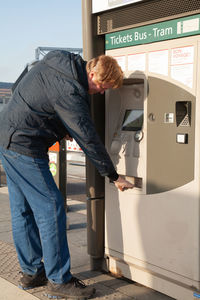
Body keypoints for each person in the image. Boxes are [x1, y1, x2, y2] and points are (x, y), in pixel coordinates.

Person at [0, 50, 134, 299]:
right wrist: (113, 176)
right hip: (25, 147)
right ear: (92, 72)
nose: (101, 91)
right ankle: (59, 281)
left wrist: (58, 125)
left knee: (23, 211)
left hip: (6, 139)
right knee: (51, 207)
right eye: (101, 85)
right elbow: (88, 138)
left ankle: (32, 273)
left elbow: (28, 90)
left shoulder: (58, 61)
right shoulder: (71, 91)